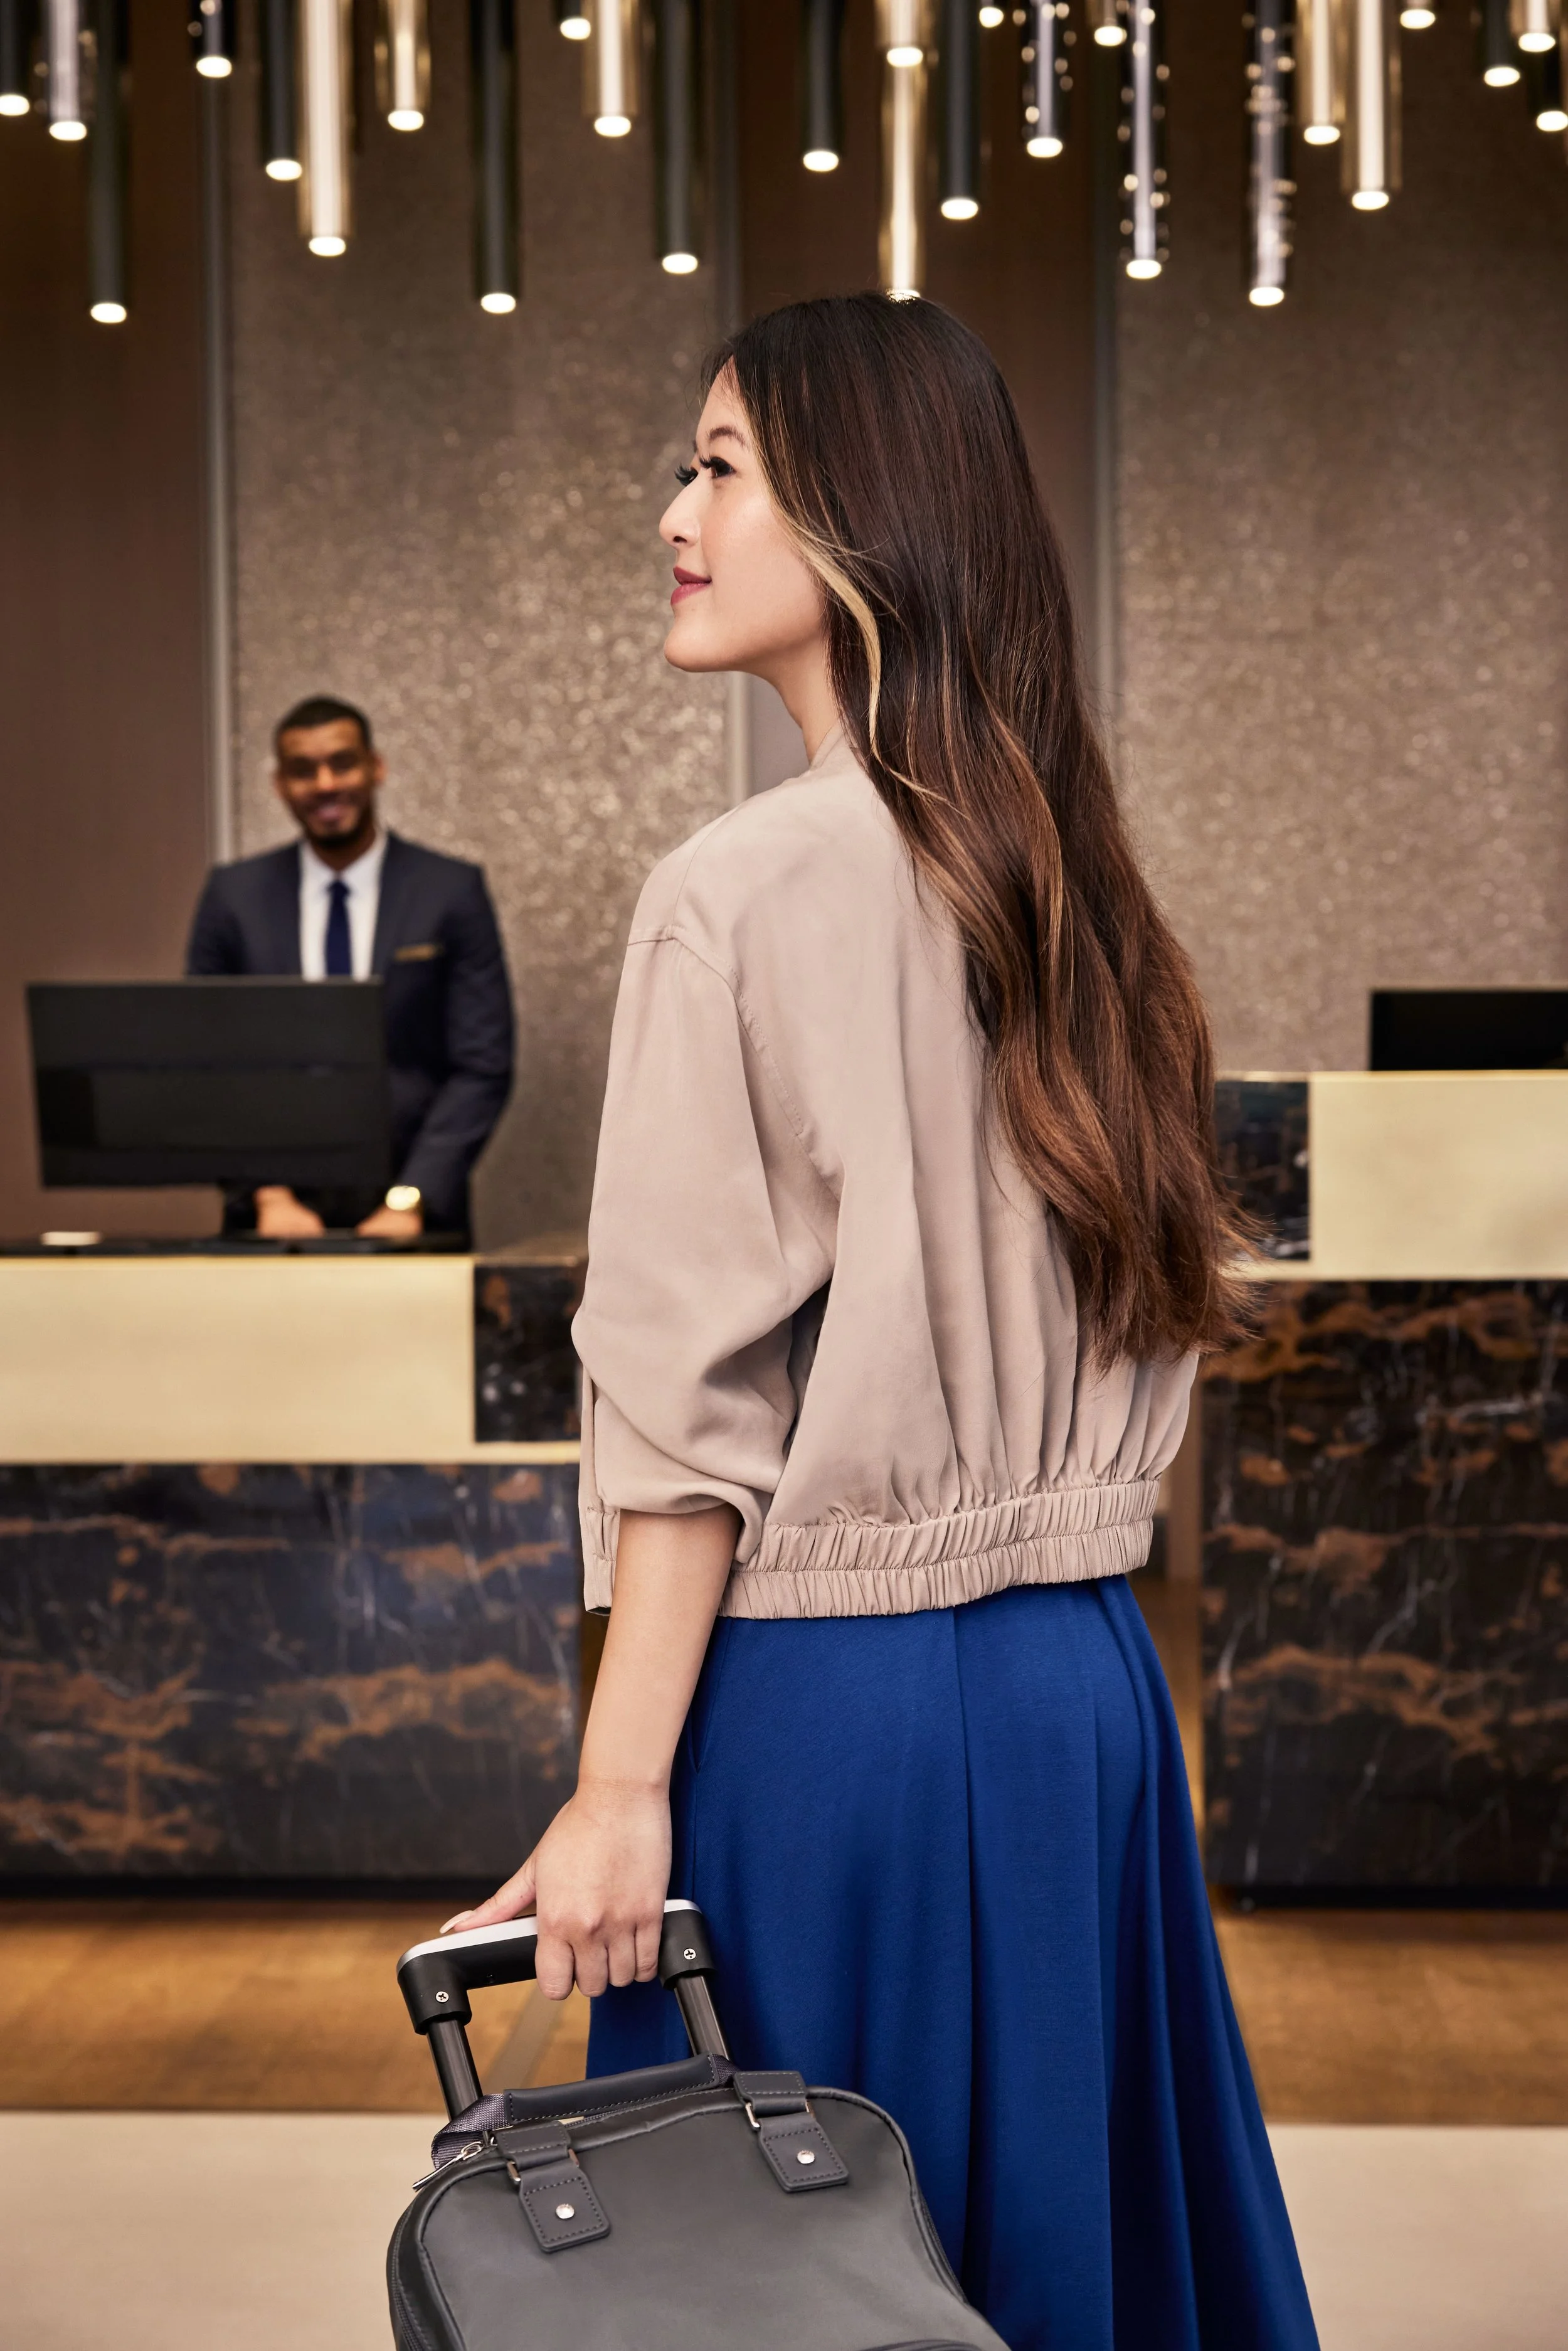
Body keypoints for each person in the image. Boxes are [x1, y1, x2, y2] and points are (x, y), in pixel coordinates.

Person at [445, 297, 1318, 2348]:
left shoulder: (737, 893)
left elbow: (687, 1414)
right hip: (1085, 1689)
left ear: (862, 515)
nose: (675, 509)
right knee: (1047, 2249)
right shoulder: (1080, 883)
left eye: (721, 464)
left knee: (777, 2268)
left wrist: (618, 1780)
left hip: (838, 1709)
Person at [186, 696, 514, 1240]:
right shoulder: (233, 897)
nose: (325, 784)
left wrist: (411, 1200)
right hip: (268, 1217)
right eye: (302, 770)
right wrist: (267, 1194)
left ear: (375, 767)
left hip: (417, 1214)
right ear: (279, 785)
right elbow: (204, 1061)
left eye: (342, 762)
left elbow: (483, 1064)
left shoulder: (450, 891)